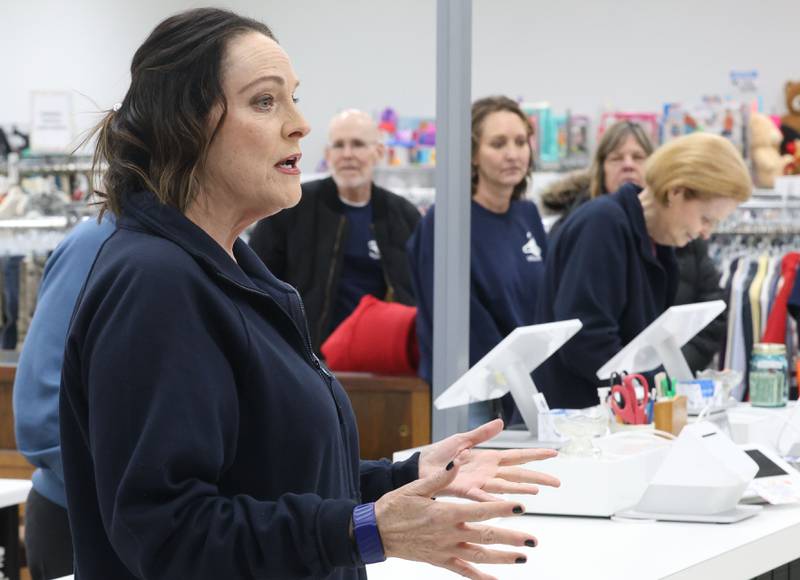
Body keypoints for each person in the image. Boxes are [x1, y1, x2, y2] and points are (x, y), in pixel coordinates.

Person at [59, 9, 559, 580]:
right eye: (266, 101)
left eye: (293, 98)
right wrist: (365, 530)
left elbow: (278, 478)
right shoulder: (155, 284)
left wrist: (408, 475)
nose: (300, 124)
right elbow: (169, 535)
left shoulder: (228, 269)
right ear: (188, 124)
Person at [534, 132, 752, 409]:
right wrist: (651, 392)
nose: (705, 233)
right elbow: (587, 341)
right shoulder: (603, 226)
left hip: (611, 418)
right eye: (706, 219)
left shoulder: (657, 245)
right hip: (579, 422)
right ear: (676, 192)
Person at [408, 96, 548, 427]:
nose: (513, 154)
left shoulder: (528, 215)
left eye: (520, 142)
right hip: (475, 394)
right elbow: (454, 321)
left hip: (527, 385)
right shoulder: (447, 221)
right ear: (472, 155)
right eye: (498, 144)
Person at [248, 109, 420, 352]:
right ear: (328, 155)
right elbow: (257, 282)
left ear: (379, 153)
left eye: (358, 144)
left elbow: (420, 293)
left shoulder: (403, 216)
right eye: (339, 145)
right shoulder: (291, 209)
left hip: (386, 361)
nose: (347, 155)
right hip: (309, 357)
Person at [12, 215, 115, 580]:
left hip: (145, 522)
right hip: (79, 518)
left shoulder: (226, 251)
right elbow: (39, 406)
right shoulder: (98, 243)